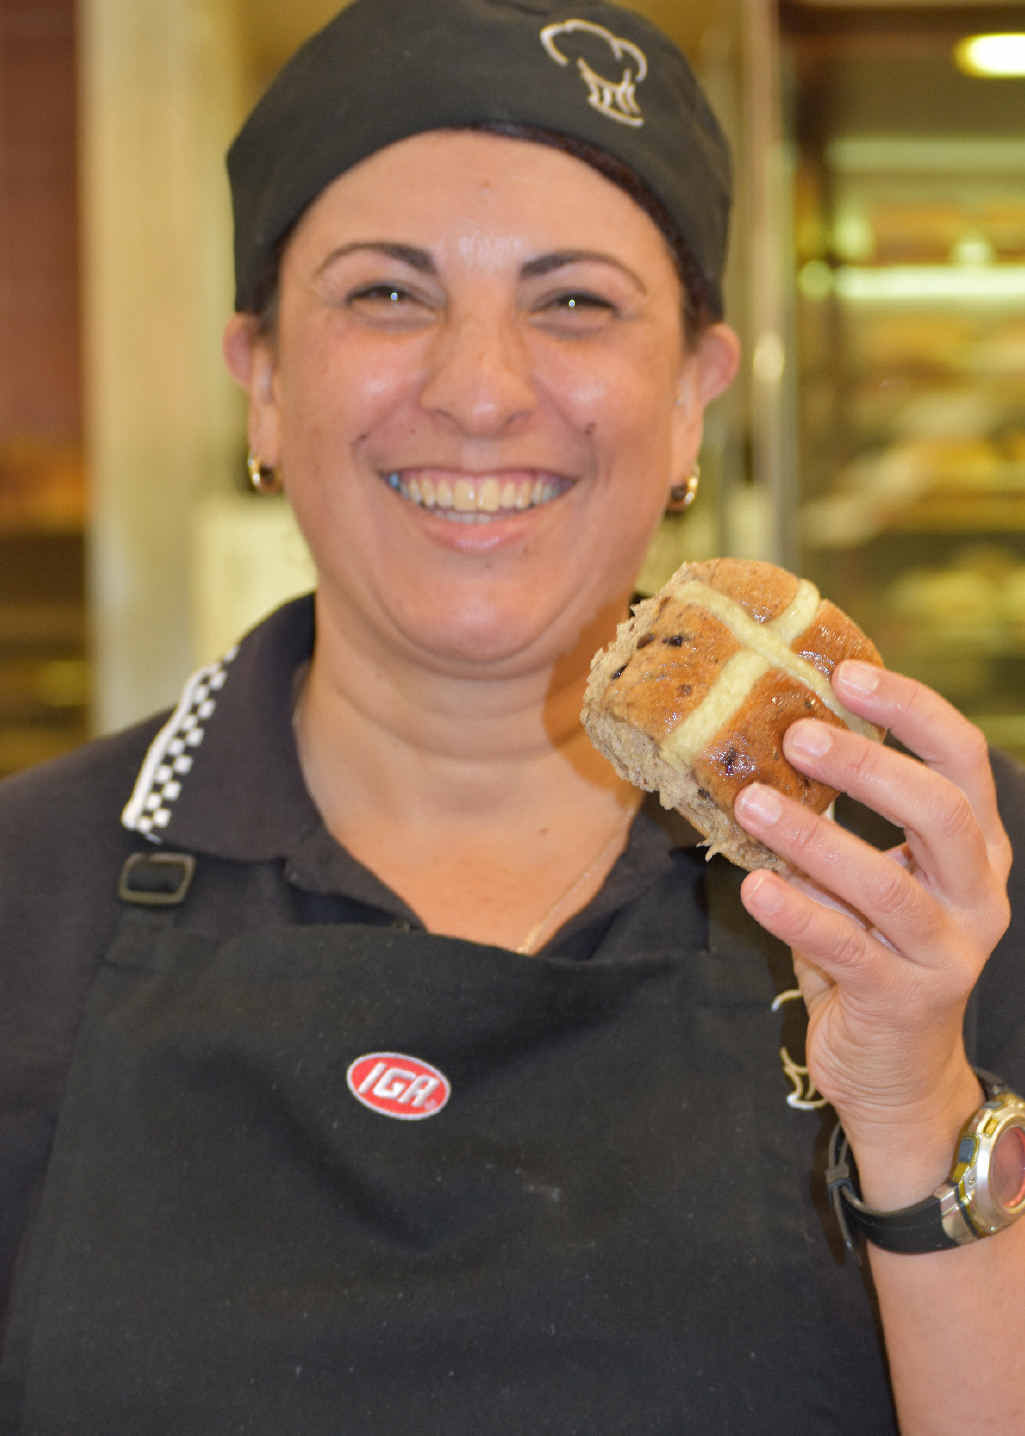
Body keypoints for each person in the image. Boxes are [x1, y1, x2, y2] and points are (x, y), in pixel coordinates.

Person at [1, 1, 1023, 1431]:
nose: (479, 392)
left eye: (574, 302)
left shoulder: (947, 880)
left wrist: (917, 1108)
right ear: (262, 383)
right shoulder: (23, 894)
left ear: (690, 400)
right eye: (386, 294)